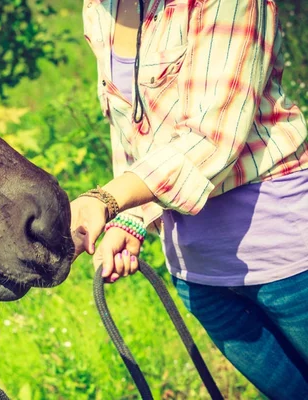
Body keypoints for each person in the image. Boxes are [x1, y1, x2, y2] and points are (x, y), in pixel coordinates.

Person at [70, 0, 308, 398]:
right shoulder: (100, 7)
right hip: (197, 273)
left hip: (285, 257)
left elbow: (212, 136)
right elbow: (132, 127)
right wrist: (131, 218)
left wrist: (106, 199)